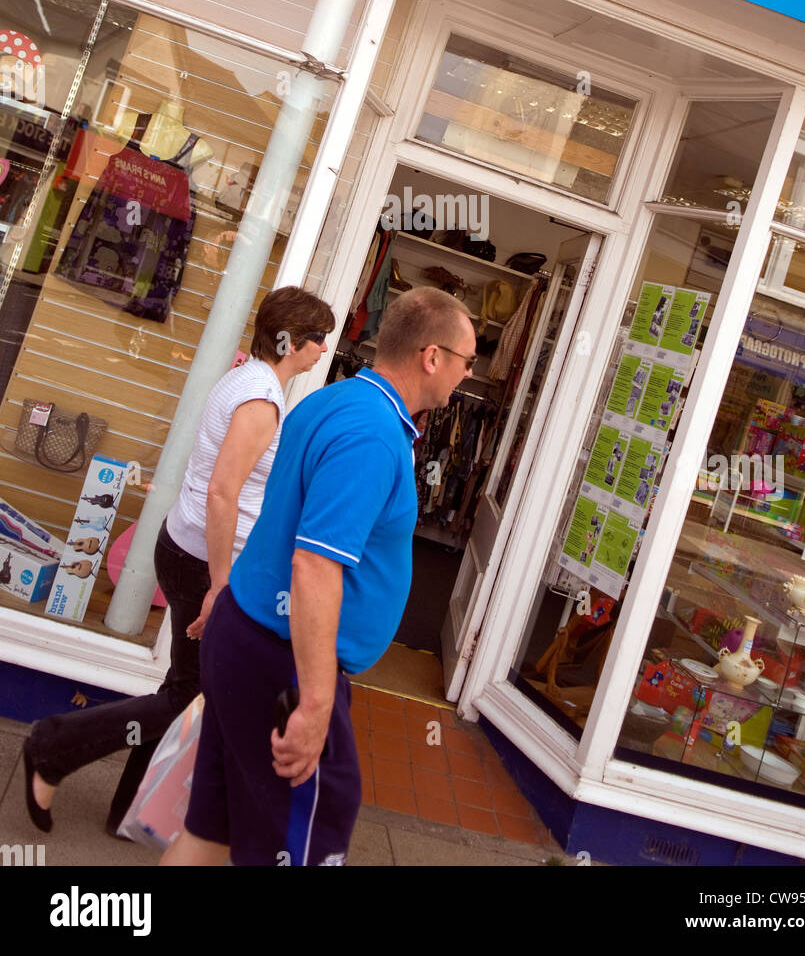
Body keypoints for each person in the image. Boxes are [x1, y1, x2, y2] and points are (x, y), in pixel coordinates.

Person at [161, 285, 476, 867]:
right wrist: (315, 703)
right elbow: (313, 563)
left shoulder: (329, 401)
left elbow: (280, 528)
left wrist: (226, 593)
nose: (466, 375)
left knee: (210, 834)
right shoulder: (374, 435)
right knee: (306, 842)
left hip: (250, 635)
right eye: (466, 361)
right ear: (432, 357)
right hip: (282, 660)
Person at [23, 285, 335, 837]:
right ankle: (52, 747)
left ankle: (131, 814)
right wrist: (220, 585)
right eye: (318, 339)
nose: (322, 350)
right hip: (202, 562)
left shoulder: (247, 380)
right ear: (291, 342)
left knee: (184, 690)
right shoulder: (261, 399)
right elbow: (223, 491)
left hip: (188, 548)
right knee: (188, 695)